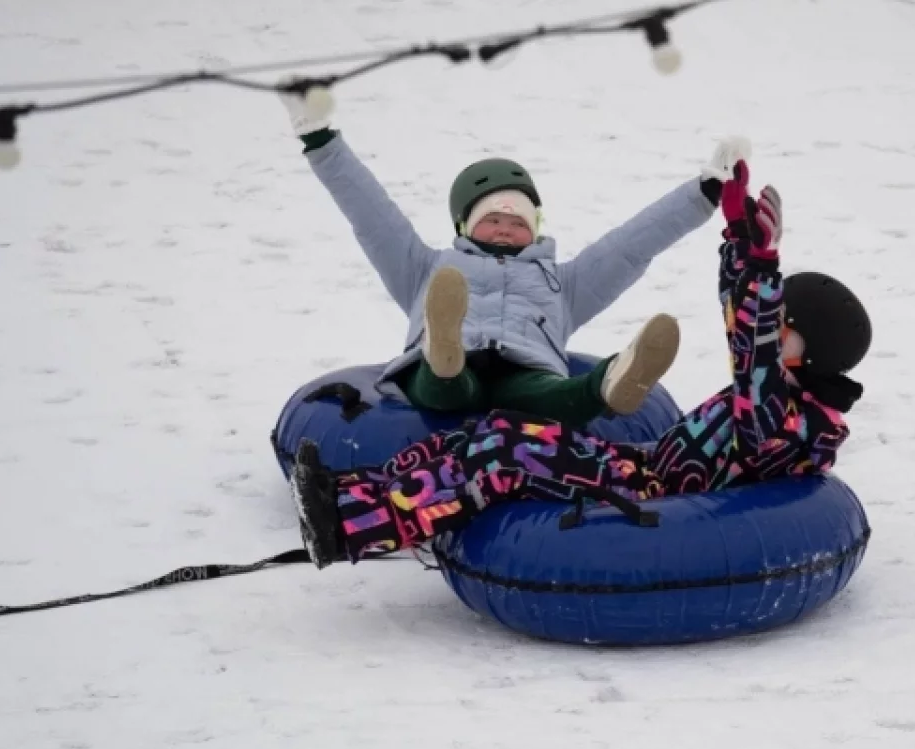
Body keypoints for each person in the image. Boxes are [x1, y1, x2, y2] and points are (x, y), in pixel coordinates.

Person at [289, 160, 873, 567]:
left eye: (781, 325)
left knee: (502, 455)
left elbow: (752, 355)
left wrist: (760, 266)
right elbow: (750, 342)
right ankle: (351, 496)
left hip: (653, 493)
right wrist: (739, 243)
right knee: (498, 432)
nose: (769, 331)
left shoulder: (784, 420)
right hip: (643, 466)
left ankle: (346, 525)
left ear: (806, 348)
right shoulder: (782, 400)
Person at [280, 91, 748, 425]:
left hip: (527, 371)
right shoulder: (424, 267)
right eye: (492, 219)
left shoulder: (562, 283)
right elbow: (371, 213)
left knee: (553, 396)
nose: (505, 227)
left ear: (535, 229)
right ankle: (443, 347)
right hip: (449, 370)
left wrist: (704, 193)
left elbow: (630, 246)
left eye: (518, 221)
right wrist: (320, 139)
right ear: (464, 227)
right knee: (443, 383)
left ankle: (613, 380)